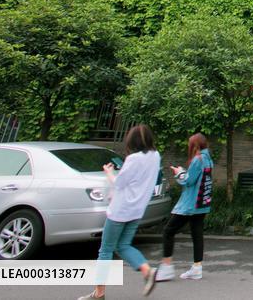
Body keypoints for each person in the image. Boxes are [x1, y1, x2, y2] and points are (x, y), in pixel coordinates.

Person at [80, 124, 161, 299]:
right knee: (123, 245)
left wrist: (108, 172)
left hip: (120, 210)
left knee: (106, 250)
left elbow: (118, 183)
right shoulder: (156, 156)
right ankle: (147, 270)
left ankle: (99, 293)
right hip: (137, 210)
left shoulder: (133, 159)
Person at [156, 133, 214, 282]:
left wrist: (179, 172)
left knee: (168, 231)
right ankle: (197, 268)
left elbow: (188, 181)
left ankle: (167, 268)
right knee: (197, 234)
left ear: (194, 146)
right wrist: (184, 172)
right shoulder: (208, 159)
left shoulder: (197, 160)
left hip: (190, 205)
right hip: (202, 203)